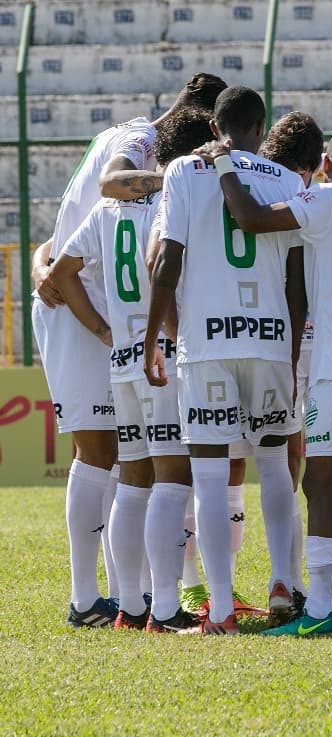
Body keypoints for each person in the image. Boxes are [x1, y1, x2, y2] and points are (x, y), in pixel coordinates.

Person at [199, 126, 332, 635]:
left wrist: (224, 164)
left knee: (319, 482)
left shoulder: (329, 197)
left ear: (326, 163)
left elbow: (250, 219)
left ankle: (319, 609)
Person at [31, 72, 227, 628]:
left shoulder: (124, 143)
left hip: (105, 323)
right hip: (127, 333)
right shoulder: (142, 151)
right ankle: (105, 600)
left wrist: (44, 259)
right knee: (118, 460)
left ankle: (126, 599)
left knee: (127, 464)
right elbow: (114, 188)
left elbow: (68, 233)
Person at [145, 86, 306, 635]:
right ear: (261, 127)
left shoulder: (186, 172)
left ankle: (218, 609)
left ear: (215, 128)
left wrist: (151, 339)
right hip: (269, 340)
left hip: (206, 344)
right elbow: (297, 280)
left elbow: (166, 261)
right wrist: (288, 350)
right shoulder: (287, 180)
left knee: (210, 478)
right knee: (275, 465)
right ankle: (283, 582)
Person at [258, 111, 332, 616]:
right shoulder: (317, 197)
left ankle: (287, 581)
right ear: (311, 164)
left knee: (277, 463)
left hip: (260, 341)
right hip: (317, 343)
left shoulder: (256, 187)